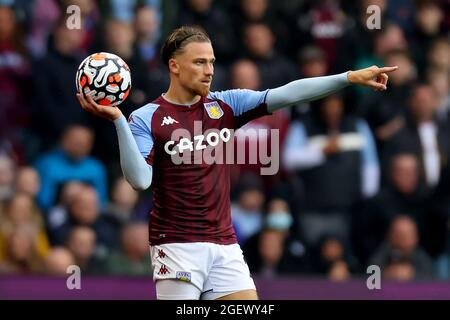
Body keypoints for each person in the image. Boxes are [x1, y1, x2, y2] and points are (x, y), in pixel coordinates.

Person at [77, 26, 398, 300]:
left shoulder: (226, 104)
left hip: (224, 244)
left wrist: (347, 77)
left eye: (212, 62)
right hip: (176, 246)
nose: (209, 70)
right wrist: (119, 120)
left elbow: (289, 94)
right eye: (200, 62)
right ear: (174, 66)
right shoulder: (146, 118)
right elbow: (140, 181)